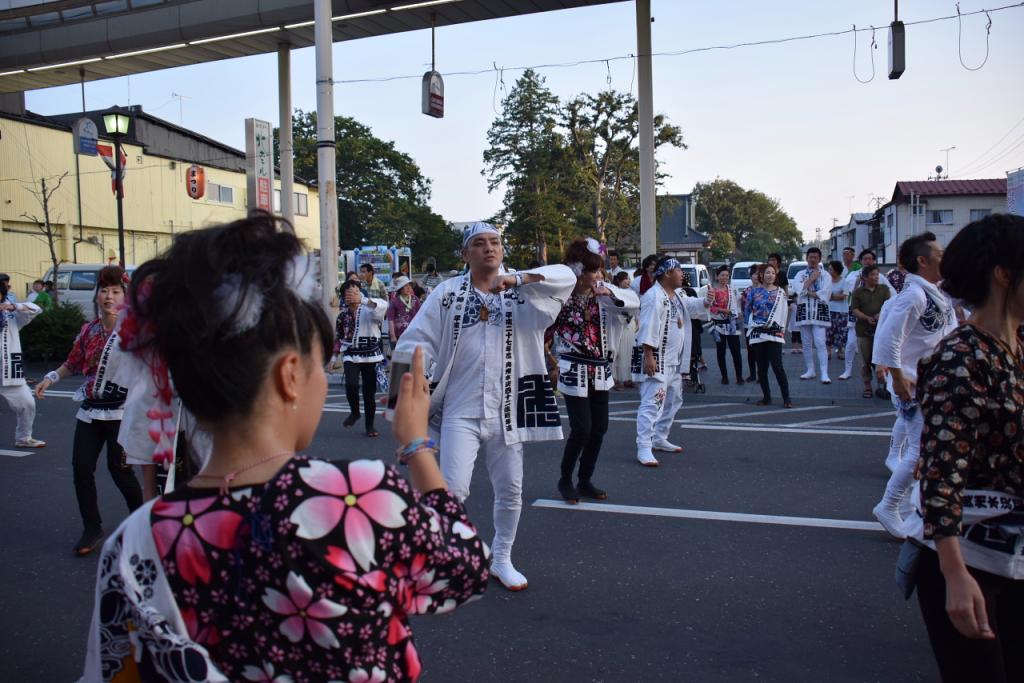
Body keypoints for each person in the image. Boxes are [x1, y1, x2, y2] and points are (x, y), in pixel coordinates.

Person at [79, 213, 489, 682]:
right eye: (320, 363)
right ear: (290, 375)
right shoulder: (357, 497)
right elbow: (464, 569)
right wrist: (417, 443)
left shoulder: (136, 539)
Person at [394, 222, 574, 591]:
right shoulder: (447, 293)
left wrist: (520, 279)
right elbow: (416, 340)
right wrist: (403, 402)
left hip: (508, 409)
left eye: (495, 242)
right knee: (453, 490)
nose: (489, 249)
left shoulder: (526, 290)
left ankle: (503, 558)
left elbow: (567, 275)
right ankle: (453, 554)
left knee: (510, 490)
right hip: (460, 409)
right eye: (479, 244)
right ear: (465, 254)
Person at [904, 213, 1023, 682]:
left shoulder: (1016, 345)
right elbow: (940, 472)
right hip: (972, 561)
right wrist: (954, 574)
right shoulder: (961, 357)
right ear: (1004, 274)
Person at [34, 266, 143, 556]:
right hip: (91, 409)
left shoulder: (134, 333)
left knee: (119, 470)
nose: (109, 296)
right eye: (104, 290)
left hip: (121, 411)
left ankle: (142, 524)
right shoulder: (89, 330)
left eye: (116, 291)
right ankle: (91, 527)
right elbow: (72, 362)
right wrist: (50, 378)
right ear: (97, 295)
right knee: (81, 468)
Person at [871, 232, 957, 538]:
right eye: (939, 253)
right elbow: (886, 340)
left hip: (930, 382)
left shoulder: (935, 292)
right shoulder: (913, 295)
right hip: (913, 384)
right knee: (921, 452)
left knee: (922, 449)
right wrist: (898, 379)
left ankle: (908, 507)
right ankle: (889, 505)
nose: (944, 257)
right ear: (922, 261)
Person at [550, 239, 639, 503]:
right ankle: (565, 479)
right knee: (582, 429)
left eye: (600, 270)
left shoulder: (603, 292)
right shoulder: (561, 294)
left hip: (600, 368)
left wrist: (610, 294)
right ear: (578, 270)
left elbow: (633, 303)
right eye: (593, 271)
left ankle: (585, 479)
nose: (599, 276)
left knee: (600, 428)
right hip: (572, 366)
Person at [633, 257, 711, 466]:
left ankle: (659, 437)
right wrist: (648, 356)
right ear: (667, 273)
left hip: (674, 361)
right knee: (652, 404)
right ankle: (644, 446)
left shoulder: (677, 294)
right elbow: (647, 327)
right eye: (678, 270)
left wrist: (706, 301)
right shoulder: (653, 296)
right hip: (657, 360)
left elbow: (692, 307)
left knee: (674, 400)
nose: (681, 274)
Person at [331, 280, 386, 437]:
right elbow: (339, 337)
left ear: (360, 292)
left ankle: (370, 426)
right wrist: (334, 358)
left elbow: (382, 306)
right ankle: (355, 412)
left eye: (355, 291)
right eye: (348, 292)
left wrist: (362, 300)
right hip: (351, 354)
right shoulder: (342, 316)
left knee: (369, 394)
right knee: (351, 384)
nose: (352, 295)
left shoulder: (369, 309)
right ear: (344, 297)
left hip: (371, 355)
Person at [0, 276, 45, 448]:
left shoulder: (11, 315)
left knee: (27, 403)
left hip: (10, 370)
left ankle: (24, 438)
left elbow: (36, 309)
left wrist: (13, 306)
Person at [839, 249, 897, 380]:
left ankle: (881, 378)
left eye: (870, 259)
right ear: (860, 261)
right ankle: (847, 370)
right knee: (851, 343)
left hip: (877, 318)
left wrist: (882, 313)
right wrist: (858, 283)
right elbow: (849, 296)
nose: (867, 261)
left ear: (874, 261)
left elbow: (892, 296)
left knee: (877, 346)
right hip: (857, 315)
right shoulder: (852, 275)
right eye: (865, 259)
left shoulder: (880, 277)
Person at [747, 264, 792, 407]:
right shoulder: (753, 292)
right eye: (767, 272)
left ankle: (787, 398)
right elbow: (748, 311)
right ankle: (766, 397)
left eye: (773, 273)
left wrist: (781, 329)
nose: (770, 275)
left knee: (778, 366)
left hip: (774, 333)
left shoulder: (780, 293)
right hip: (758, 332)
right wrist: (752, 325)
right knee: (762, 368)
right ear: (762, 275)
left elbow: (784, 313)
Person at [849, 265, 890, 399]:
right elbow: (854, 309)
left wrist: (880, 314)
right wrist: (867, 318)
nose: (876, 277)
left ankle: (882, 385)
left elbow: (888, 305)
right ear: (865, 277)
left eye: (877, 274)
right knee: (865, 361)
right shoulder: (858, 292)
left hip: (882, 330)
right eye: (872, 275)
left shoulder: (884, 289)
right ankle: (867, 386)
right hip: (863, 330)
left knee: (881, 359)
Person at [793, 247, 833, 383]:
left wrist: (807, 292)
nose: (813, 260)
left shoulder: (826, 275)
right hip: (804, 311)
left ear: (820, 259)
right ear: (807, 258)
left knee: (820, 342)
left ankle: (824, 373)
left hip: (819, 311)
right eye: (811, 257)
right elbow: (797, 289)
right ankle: (810, 370)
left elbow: (825, 294)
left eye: (816, 257)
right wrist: (811, 279)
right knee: (806, 343)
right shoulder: (800, 274)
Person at [708, 266, 744, 385]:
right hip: (718, 324)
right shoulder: (712, 291)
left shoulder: (732, 290)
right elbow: (710, 308)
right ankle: (724, 376)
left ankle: (739, 376)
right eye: (722, 275)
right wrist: (723, 310)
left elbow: (738, 302)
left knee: (736, 351)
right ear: (717, 276)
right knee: (721, 351)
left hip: (732, 324)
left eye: (727, 275)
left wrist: (738, 312)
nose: (725, 277)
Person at [611, 271, 638, 389]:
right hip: (618, 324)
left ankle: (628, 378)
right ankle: (615, 378)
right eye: (625, 279)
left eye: (628, 279)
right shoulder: (614, 293)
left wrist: (637, 321)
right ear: (619, 281)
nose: (628, 281)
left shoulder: (632, 293)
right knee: (617, 352)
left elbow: (636, 309)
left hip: (630, 324)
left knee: (628, 352)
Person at [740, 264, 763, 382]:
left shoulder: (765, 290)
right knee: (750, 350)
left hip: (761, 325)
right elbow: (743, 307)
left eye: (758, 274)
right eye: (754, 274)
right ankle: (752, 374)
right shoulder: (746, 291)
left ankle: (761, 375)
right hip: (748, 325)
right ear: (751, 276)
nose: (756, 276)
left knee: (760, 351)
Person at [826, 260, 850, 360]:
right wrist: (835, 295)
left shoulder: (844, 281)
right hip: (829, 310)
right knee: (828, 332)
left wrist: (832, 296)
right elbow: (824, 295)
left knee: (841, 332)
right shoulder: (826, 281)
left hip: (842, 311)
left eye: (831, 269)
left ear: (836, 270)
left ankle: (840, 351)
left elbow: (844, 296)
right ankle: (828, 352)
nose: (829, 271)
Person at [387, 275, 422, 344]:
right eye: (405, 286)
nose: (409, 288)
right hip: (398, 334)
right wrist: (393, 336)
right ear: (400, 289)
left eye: (409, 285)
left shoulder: (415, 299)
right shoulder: (394, 302)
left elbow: (420, 316)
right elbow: (390, 319)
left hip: (412, 333)